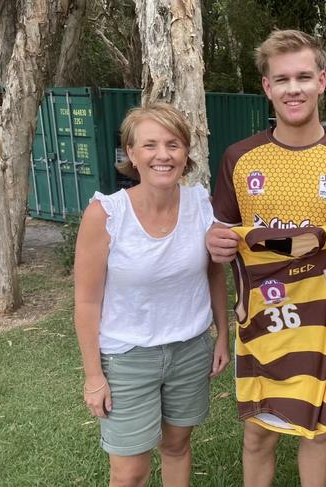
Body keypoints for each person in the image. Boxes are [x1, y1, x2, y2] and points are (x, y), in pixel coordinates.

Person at [206, 30, 326, 487]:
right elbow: (220, 231)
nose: (294, 88)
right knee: (256, 435)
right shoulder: (239, 157)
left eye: (304, 76)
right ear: (266, 87)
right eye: (282, 79)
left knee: (317, 433)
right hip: (261, 318)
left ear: (322, 81)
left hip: (325, 318)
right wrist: (217, 242)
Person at [74, 102, 230, 487]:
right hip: (127, 358)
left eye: (174, 144)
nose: (163, 155)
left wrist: (223, 335)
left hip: (189, 351)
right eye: (150, 145)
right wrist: (94, 375)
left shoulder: (201, 205)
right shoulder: (106, 214)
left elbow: (214, 274)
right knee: (129, 472)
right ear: (131, 153)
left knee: (177, 445)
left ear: (185, 152)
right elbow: (87, 301)